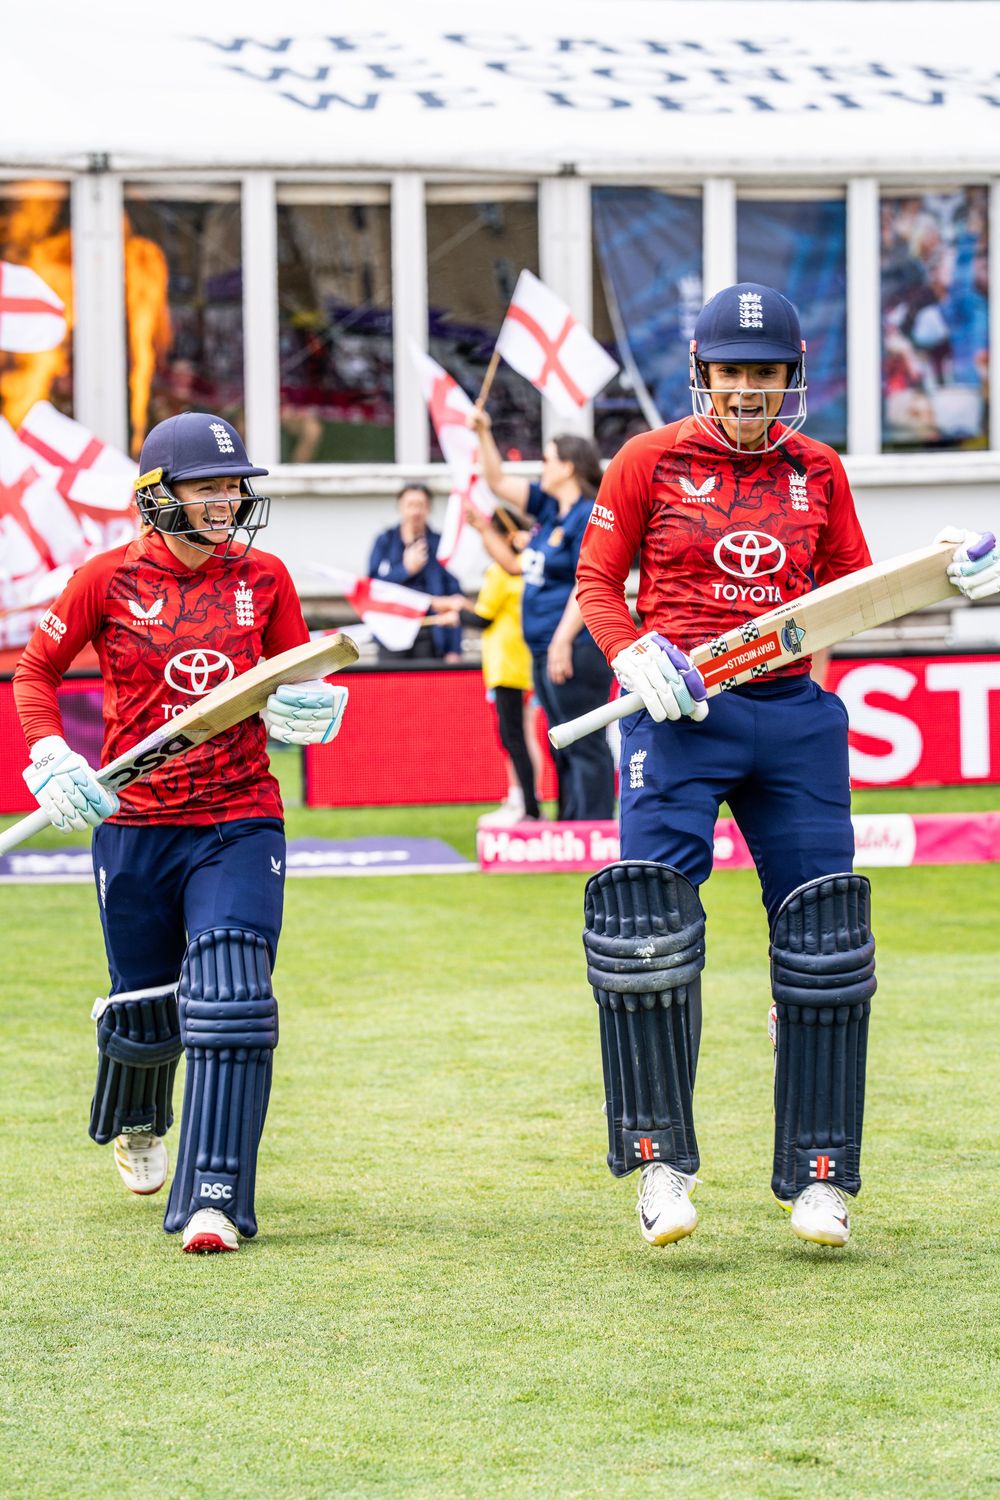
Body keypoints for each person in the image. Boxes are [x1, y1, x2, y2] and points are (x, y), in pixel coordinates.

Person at [574, 282, 1000, 1252]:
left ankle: (820, 1179)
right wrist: (630, 650)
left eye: (766, 375)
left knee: (821, 947)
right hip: (678, 716)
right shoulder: (647, 461)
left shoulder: (818, 470)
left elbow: (856, 591)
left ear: (790, 379)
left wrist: (942, 562)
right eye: (733, 373)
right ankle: (660, 1169)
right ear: (702, 375)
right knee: (648, 931)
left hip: (792, 718)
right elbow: (599, 579)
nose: (749, 391)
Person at [13, 412, 349, 1256]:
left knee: (233, 995)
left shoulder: (264, 577)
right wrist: (52, 752)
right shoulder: (106, 577)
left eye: (234, 485)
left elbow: (292, 679)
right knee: (145, 1008)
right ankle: (135, 1117)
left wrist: (311, 708)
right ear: (158, 497)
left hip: (238, 816)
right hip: (133, 822)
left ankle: (214, 1199)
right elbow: (37, 670)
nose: (227, 501)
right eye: (207, 486)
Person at [467, 410, 614, 820]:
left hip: (575, 646)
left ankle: (595, 829)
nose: (541, 468)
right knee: (561, 741)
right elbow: (497, 482)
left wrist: (563, 640)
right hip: (544, 646)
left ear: (567, 466)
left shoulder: (588, 515)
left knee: (584, 742)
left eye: (547, 460)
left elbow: (590, 583)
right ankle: (571, 825)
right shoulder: (551, 510)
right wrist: (483, 432)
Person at [430, 505, 540, 826]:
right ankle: (524, 800)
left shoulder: (502, 570)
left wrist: (458, 614)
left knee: (513, 737)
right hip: (521, 664)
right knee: (521, 736)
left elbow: (482, 616)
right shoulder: (526, 567)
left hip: (507, 666)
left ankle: (526, 805)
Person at [367, 482, 462, 662]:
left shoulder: (441, 544)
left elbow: (454, 595)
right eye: (410, 505)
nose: (415, 512)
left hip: (430, 632)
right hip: (392, 632)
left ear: (428, 508)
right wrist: (405, 569)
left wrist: (454, 647)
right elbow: (372, 588)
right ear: (400, 507)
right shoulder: (385, 541)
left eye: (421, 505)